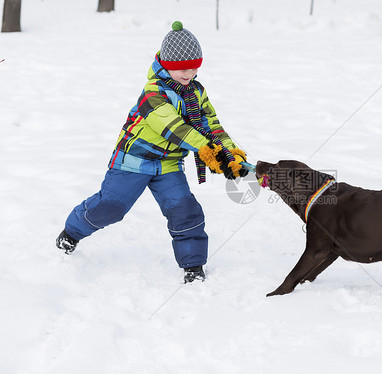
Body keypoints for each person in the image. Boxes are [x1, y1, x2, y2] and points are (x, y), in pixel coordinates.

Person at [56, 21, 248, 283]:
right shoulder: (153, 92)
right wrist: (207, 150)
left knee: (184, 209)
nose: (189, 73)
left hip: (168, 164)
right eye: (182, 67)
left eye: (194, 67)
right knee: (111, 207)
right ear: (166, 63)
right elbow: (174, 128)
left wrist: (229, 153)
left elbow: (209, 125)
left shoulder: (196, 92)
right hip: (132, 161)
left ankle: (193, 265)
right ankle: (72, 231)